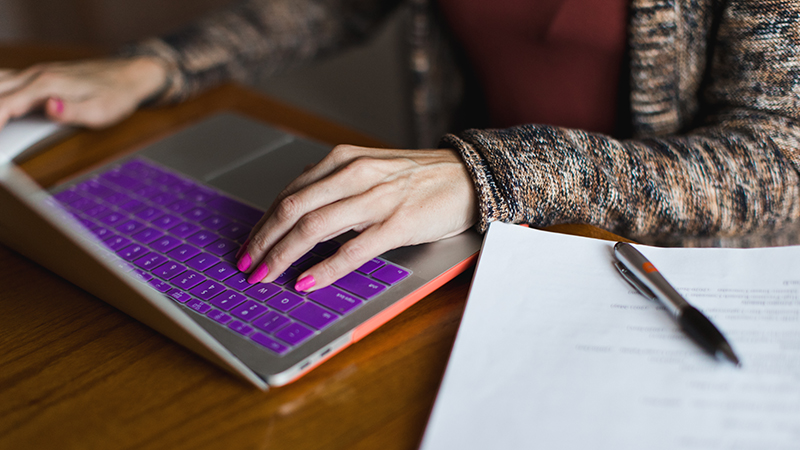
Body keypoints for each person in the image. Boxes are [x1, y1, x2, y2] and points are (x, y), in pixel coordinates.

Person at [1, 0, 799, 294]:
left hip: (664, 267)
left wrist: (492, 171)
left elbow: (780, 165)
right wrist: (154, 66)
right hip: (468, 238)